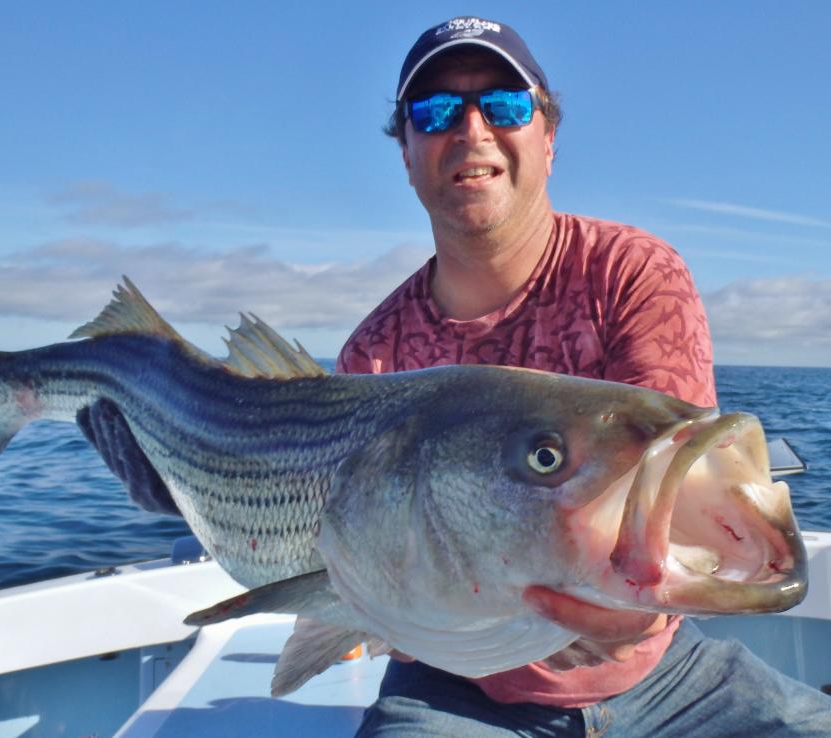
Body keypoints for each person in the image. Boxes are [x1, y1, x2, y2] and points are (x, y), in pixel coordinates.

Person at [336, 15, 830, 737]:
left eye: (505, 104)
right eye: (435, 111)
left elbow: (673, 496)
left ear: (549, 136)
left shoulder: (631, 273)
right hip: (456, 688)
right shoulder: (373, 359)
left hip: (672, 675)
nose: (471, 129)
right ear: (407, 154)